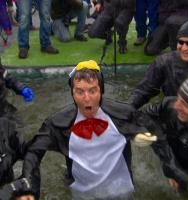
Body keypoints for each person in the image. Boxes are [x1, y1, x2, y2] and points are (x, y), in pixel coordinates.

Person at [18, 60, 157, 199]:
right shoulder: (57, 123)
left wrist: (140, 132)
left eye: (92, 90)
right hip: (81, 195)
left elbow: (153, 127)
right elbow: (33, 152)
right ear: (72, 93)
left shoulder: (123, 114)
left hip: (122, 191)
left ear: (101, 90)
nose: (87, 98)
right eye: (80, 92)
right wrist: (28, 186)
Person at [141, 74, 188, 196]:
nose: (176, 106)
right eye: (178, 98)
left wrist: (184, 178)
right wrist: (169, 160)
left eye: (185, 104)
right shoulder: (169, 106)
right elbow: (145, 116)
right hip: (174, 153)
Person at [128, 19, 188, 109]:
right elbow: (144, 90)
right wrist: (128, 107)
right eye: (180, 42)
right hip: (173, 112)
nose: (184, 48)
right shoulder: (164, 62)